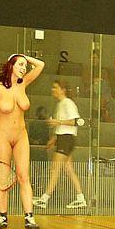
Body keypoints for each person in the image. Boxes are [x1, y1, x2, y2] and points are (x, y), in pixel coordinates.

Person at [0, 54, 45, 229]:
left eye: (25, 65)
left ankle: (29, 217)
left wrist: (25, 57)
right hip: (2, 136)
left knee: (24, 176)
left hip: (21, 136)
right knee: (2, 177)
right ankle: (2, 216)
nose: (24, 68)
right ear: (11, 66)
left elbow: (41, 65)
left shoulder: (23, 83)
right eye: (20, 64)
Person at [33, 81, 87, 210]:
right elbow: (61, 126)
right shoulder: (60, 104)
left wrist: (58, 122)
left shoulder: (68, 103)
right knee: (68, 170)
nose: (53, 90)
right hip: (63, 139)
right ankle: (81, 198)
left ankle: (44, 199)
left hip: (67, 139)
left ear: (63, 90)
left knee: (55, 169)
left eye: (55, 87)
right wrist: (54, 139)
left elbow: (76, 121)